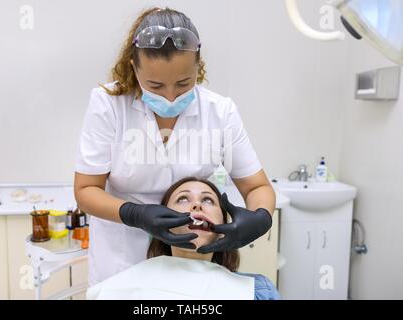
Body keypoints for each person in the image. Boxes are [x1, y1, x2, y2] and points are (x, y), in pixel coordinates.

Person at [74, 7, 276, 287]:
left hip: (192, 261)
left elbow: (257, 187)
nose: (170, 97)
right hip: (121, 259)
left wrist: (260, 219)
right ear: (134, 67)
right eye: (155, 85)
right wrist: (135, 214)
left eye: (183, 84)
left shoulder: (220, 112)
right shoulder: (108, 105)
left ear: (197, 66)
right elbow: (86, 190)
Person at [86, 177, 280, 300]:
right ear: (159, 222)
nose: (196, 205)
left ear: (224, 225)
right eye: (182, 199)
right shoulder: (121, 289)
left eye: (207, 200)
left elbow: (258, 185)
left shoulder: (257, 291)